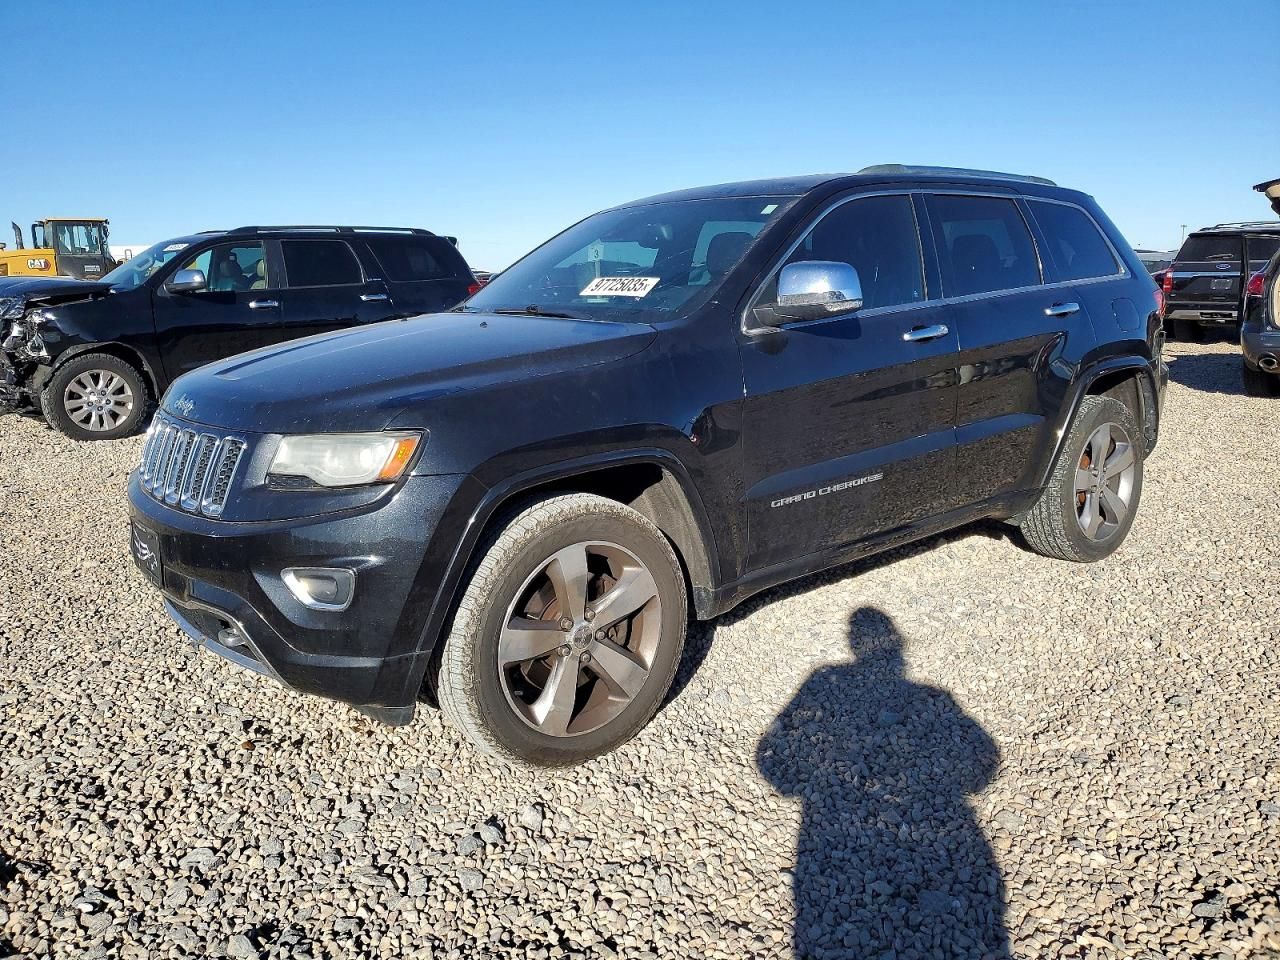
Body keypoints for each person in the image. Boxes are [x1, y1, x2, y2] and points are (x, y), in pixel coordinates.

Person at [757, 607, 1008, 959]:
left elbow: (771, 758)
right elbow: (985, 762)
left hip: (826, 837)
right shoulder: (933, 697)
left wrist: (803, 782)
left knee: (826, 912)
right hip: (946, 832)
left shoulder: (824, 678)